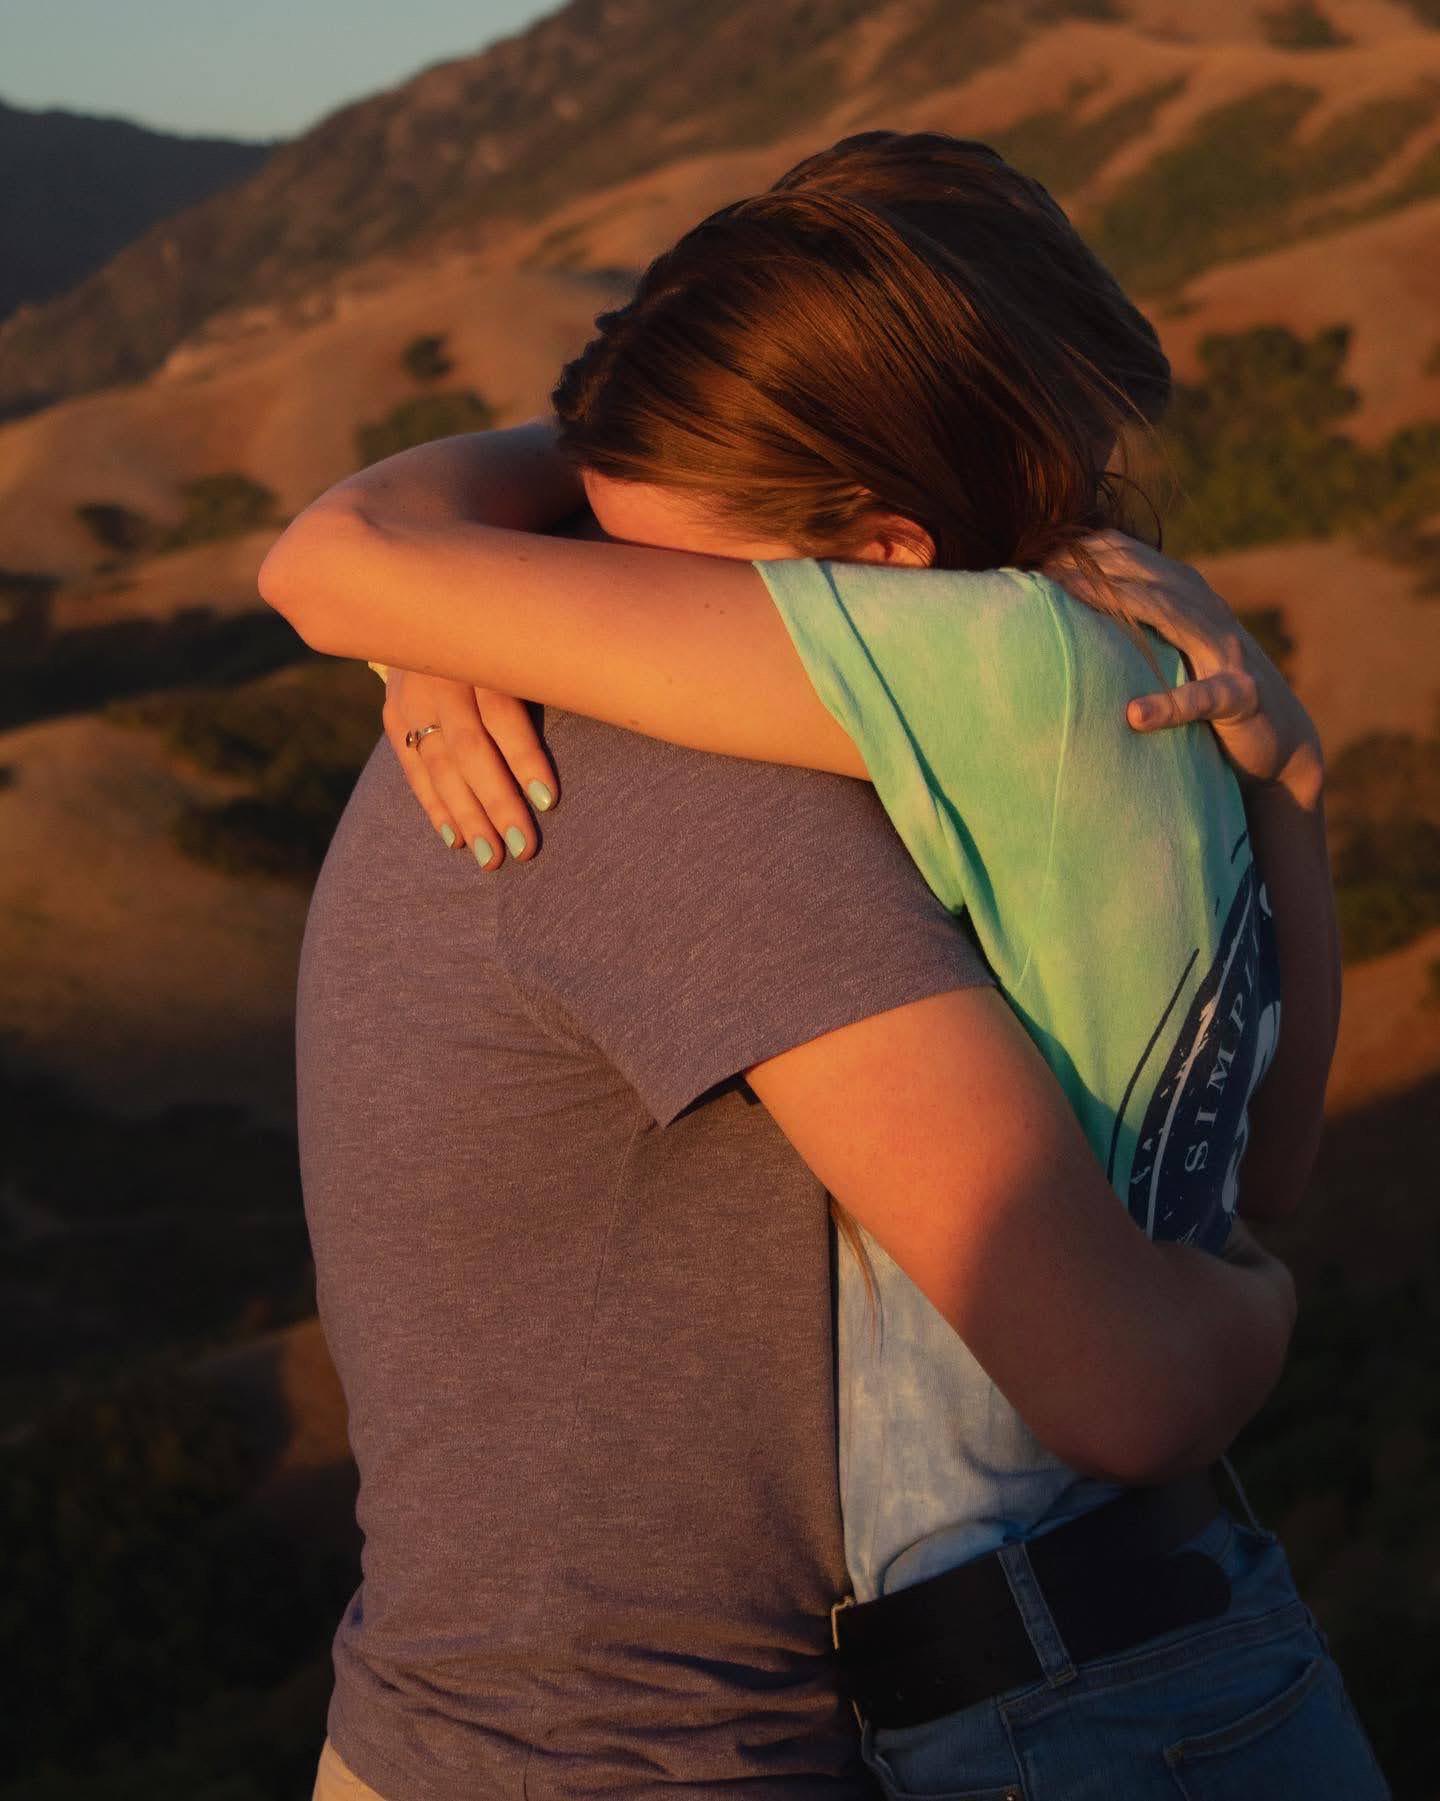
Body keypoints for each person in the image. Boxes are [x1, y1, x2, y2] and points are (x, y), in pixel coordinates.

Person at [265, 135, 1378, 1799]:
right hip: (642, 1756)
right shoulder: (1045, 675)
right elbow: (1189, 1295)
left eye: (663, 572)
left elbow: (336, 559)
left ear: (884, 556)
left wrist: (446, 586)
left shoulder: (938, 692)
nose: (599, 602)